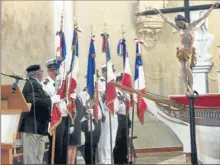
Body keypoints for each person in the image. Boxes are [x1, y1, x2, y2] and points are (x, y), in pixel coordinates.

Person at [154, 2, 219, 95]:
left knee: (187, 67)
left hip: (189, 50)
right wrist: (159, 12)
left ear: (183, 20)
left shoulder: (191, 25)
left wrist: (212, 7)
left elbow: (204, 16)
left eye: (179, 23)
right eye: (177, 24)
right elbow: (167, 20)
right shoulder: (178, 27)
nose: (178, 25)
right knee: (182, 68)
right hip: (182, 51)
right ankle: (186, 87)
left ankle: (191, 87)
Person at [18, 64, 59, 164]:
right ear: (38, 74)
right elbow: (33, 100)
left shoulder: (36, 85)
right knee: (31, 157)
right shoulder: (31, 84)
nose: (42, 74)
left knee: (38, 157)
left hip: (38, 127)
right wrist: (51, 100)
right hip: (32, 126)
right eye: (41, 72)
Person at [41, 58, 69, 164]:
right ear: (48, 71)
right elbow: (47, 101)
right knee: (56, 145)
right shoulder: (45, 84)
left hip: (64, 116)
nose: (54, 73)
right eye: (52, 70)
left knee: (64, 144)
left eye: (55, 70)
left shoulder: (62, 83)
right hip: (54, 118)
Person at [97, 64, 119, 164]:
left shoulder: (112, 83)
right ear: (104, 72)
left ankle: (108, 159)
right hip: (106, 113)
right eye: (110, 71)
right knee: (106, 139)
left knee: (112, 139)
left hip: (114, 114)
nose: (112, 73)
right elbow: (105, 97)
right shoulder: (101, 82)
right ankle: (105, 160)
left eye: (112, 71)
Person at [80, 86, 102, 164]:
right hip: (89, 120)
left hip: (97, 120)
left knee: (95, 144)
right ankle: (89, 162)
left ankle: (93, 162)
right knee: (90, 144)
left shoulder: (97, 92)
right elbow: (82, 107)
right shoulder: (84, 93)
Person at [113, 73, 131, 164]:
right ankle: (118, 160)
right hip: (119, 117)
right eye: (119, 81)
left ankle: (124, 158)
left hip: (125, 117)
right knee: (118, 139)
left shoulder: (124, 92)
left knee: (125, 140)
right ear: (116, 82)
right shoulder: (115, 92)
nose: (121, 83)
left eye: (122, 81)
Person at [68, 93, 84, 164]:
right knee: (70, 146)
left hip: (78, 123)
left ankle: (72, 162)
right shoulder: (70, 95)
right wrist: (71, 124)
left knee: (75, 145)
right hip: (73, 123)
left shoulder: (77, 95)